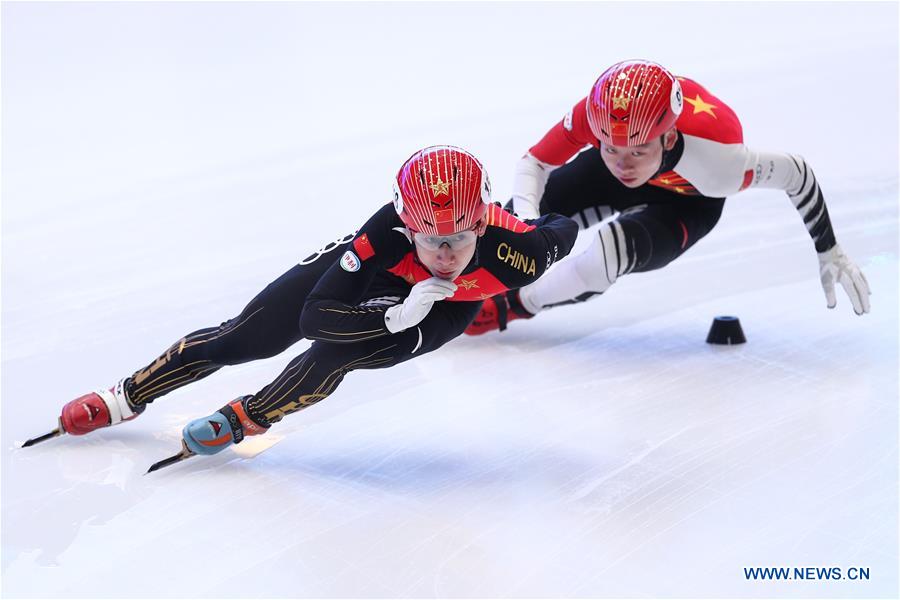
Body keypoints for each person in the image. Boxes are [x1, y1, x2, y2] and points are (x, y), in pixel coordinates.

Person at [41, 146, 578, 459]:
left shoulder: (521, 253)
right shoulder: (384, 234)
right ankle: (126, 395)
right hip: (380, 282)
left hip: (446, 308)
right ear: (405, 224)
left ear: (481, 224)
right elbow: (314, 315)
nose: (443, 254)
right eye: (428, 238)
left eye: (457, 239)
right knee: (245, 337)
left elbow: (565, 229)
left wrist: (527, 216)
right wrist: (394, 313)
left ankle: (249, 416)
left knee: (336, 354)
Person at [464, 60, 870, 335]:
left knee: (609, 251)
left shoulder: (720, 161)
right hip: (614, 176)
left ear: (670, 138)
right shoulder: (599, 115)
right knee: (511, 223)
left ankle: (514, 306)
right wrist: (527, 225)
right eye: (610, 147)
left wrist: (829, 249)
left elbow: (796, 173)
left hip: (689, 201)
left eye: (637, 151)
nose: (623, 164)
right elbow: (535, 163)